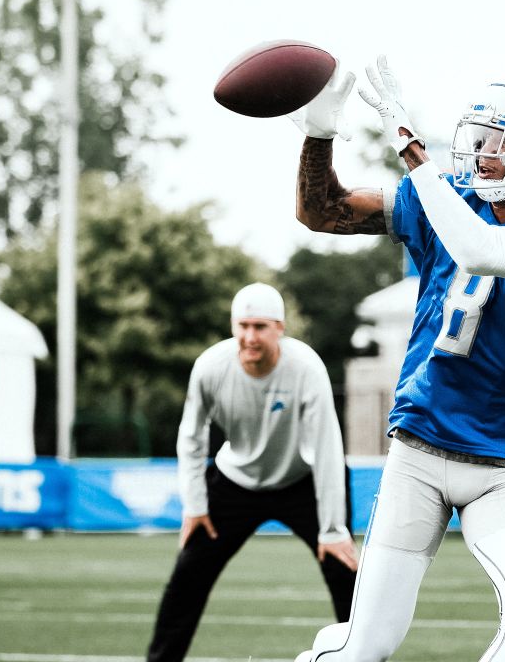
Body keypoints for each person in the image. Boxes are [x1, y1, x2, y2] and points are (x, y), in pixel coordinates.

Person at [287, 57, 505, 662]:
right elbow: (320, 211)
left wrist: (413, 153)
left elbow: (480, 249)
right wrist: (318, 137)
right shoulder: (449, 197)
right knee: (365, 649)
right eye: (482, 138)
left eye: (504, 143)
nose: (483, 154)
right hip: (419, 458)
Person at [145, 282, 358, 662]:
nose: (249, 336)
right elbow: (191, 439)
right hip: (235, 483)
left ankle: (362, 657)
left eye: (260, 326)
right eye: (242, 326)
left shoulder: (306, 368)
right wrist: (195, 506)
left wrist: (332, 529)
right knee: (186, 579)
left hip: (300, 480)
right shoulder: (211, 367)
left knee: (345, 573)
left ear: (280, 328)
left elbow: (328, 449)